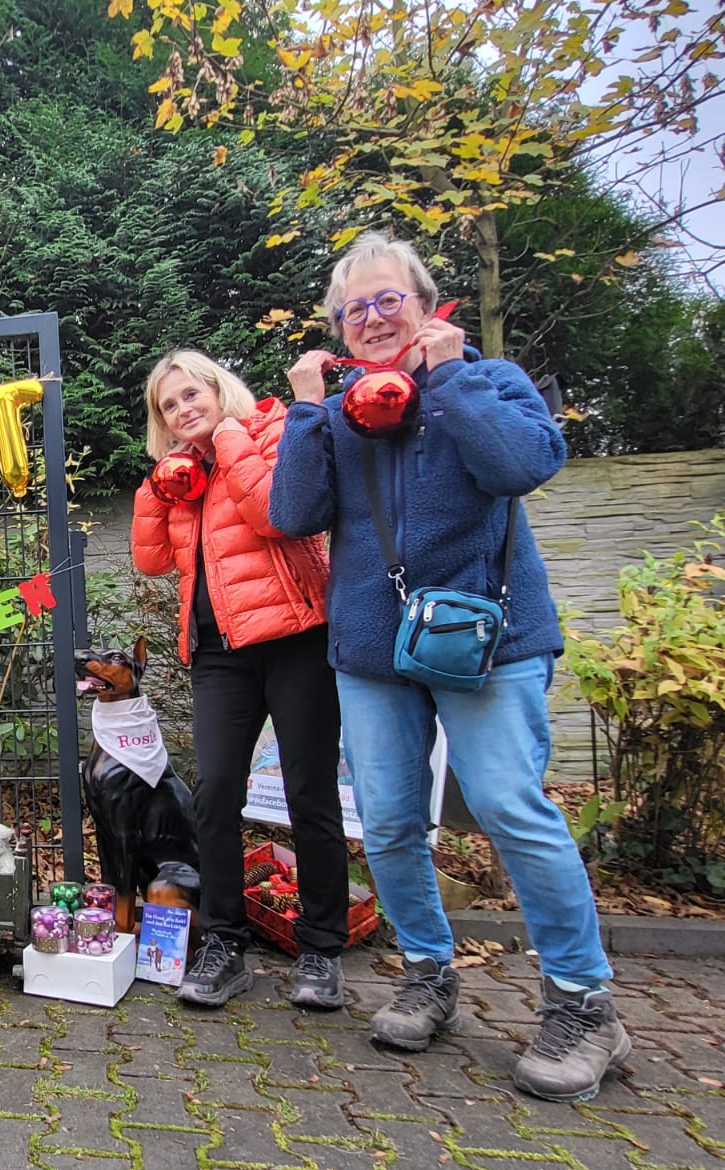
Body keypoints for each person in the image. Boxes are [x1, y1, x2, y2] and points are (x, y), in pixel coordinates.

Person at [269, 232, 629, 1103]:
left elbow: (520, 464)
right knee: (389, 822)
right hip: (372, 649)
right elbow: (292, 512)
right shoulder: (342, 413)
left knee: (511, 805)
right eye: (356, 309)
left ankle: (584, 1005)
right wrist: (312, 410)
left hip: (489, 635)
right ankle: (430, 974)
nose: (374, 318)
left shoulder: (490, 382)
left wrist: (453, 377)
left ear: (427, 309)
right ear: (340, 332)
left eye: (390, 300)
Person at [131, 350, 350, 1010]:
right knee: (216, 793)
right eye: (169, 406)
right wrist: (158, 485)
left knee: (311, 795)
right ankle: (224, 944)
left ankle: (320, 951)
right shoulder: (181, 474)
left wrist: (226, 436)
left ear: (218, 389)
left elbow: (275, 515)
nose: (182, 409)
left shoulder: (267, 431)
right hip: (219, 651)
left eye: (191, 394)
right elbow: (150, 560)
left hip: (294, 640)